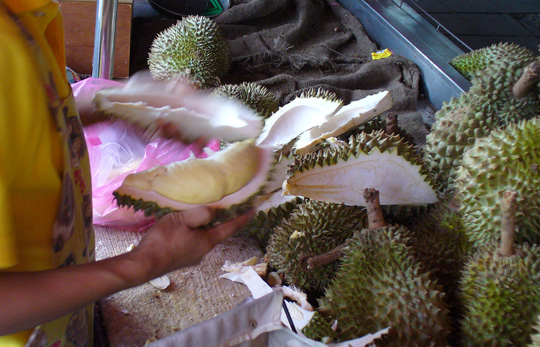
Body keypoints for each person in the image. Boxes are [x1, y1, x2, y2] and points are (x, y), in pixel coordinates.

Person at [0, 0, 252, 346]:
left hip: (67, 292)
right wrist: (143, 263)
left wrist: (119, 106)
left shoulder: (23, 12)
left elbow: (20, 122)